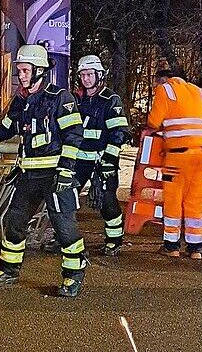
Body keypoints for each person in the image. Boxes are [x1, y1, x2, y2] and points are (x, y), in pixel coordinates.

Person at [0, 44, 87, 297]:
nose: (21, 75)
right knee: (13, 221)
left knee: (64, 227)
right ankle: (8, 270)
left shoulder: (60, 98)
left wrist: (66, 171)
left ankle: (73, 275)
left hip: (55, 176)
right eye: (19, 70)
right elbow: (4, 129)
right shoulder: (21, 100)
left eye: (25, 70)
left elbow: (74, 135)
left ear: (40, 70)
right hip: (28, 175)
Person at [146, 69, 202, 260]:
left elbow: (153, 121)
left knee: (173, 199)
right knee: (195, 200)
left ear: (163, 80)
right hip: (201, 156)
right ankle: (195, 248)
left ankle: (172, 246)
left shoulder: (165, 90)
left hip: (176, 157)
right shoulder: (200, 92)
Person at [73, 55, 130, 256]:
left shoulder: (110, 100)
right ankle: (63, 237)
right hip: (79, 159)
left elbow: (119, 132)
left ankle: (114, 240)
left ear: (99, 75)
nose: (86, 79)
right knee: (67, 198)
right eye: (83, 75)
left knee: (108, 201)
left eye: (90, 74)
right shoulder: (76, 99)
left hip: (102, 160)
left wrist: (109, 160)